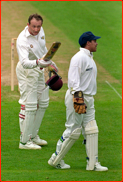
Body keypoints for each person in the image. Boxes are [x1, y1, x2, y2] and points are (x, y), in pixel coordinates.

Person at [48, 31, 108, 171]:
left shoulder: (89, 57)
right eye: (94, 41)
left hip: (89, 98)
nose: (96, 43)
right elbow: (73, 80)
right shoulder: (79, 58)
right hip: (78, 98)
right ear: (88, 43)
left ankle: (92, 163)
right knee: (73, 130)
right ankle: (56, 159)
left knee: (91, 129)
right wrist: (78, 99)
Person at [16, 13, 58, 150]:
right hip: (27, 71)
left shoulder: (41, 31)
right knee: (31, 105)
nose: (36, 29)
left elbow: (43, 49)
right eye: (33, 26)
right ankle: (24, 142)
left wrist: (50, 62)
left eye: (38, 26)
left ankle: (33, 135)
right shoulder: (22, 40)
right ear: (28, 25)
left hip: (40, 68)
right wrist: (40, 62)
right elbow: (24, 63)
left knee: (44, 102)